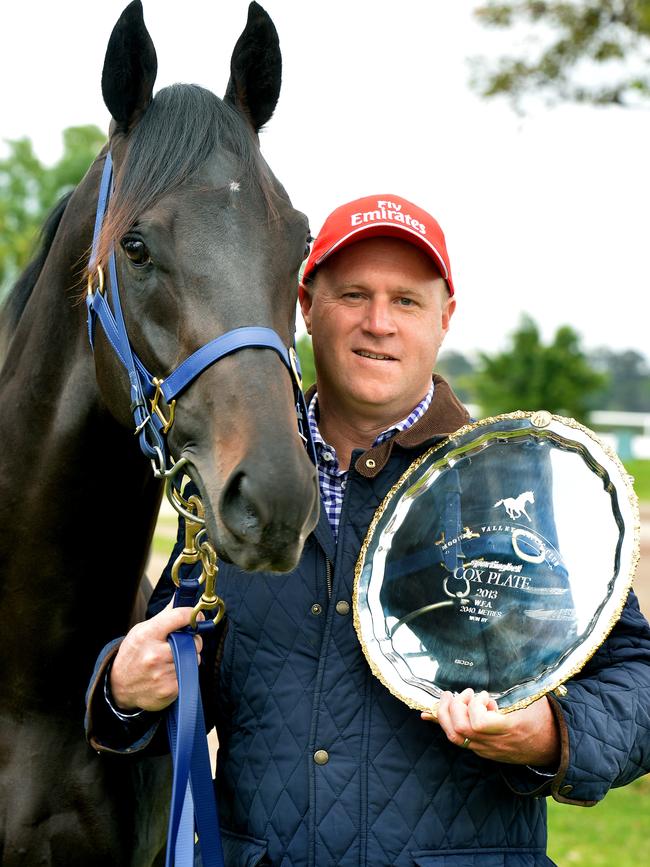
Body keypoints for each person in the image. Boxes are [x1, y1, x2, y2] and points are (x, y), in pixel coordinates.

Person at [86, 194, 650, 866]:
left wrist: (554, 734)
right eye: (353, 294)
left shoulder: (511, 482)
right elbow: (183, 676)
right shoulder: (239, 487)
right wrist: (123, 692)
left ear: (445, 318)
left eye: (406, 300)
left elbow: (636, 674)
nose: (378, 322)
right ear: (305, 305)